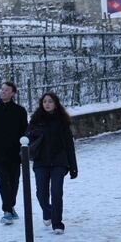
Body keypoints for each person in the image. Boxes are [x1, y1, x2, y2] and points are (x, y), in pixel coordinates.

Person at [27, 92, 78, 234]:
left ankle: (57, 223)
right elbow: (27, 141)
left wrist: (73, 167)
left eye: (50, 101)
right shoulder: (35, 121)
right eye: (44, 102)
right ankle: (47, 210)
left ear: (56, 104)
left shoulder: (62, 121)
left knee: (56, 192)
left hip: (59, 162)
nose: (47, 104)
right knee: (41, 193)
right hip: (41, 162)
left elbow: (69, 145)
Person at [0, 81, 29, 225]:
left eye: (7, 90)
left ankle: (11, 205)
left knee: (14, 182)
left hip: (15, 153)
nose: (3, 92)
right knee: (3, 182)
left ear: (13, 93)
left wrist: (25, 149)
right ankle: (7, 210)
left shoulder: (20, 111)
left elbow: (25, 131)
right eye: (2, 90)